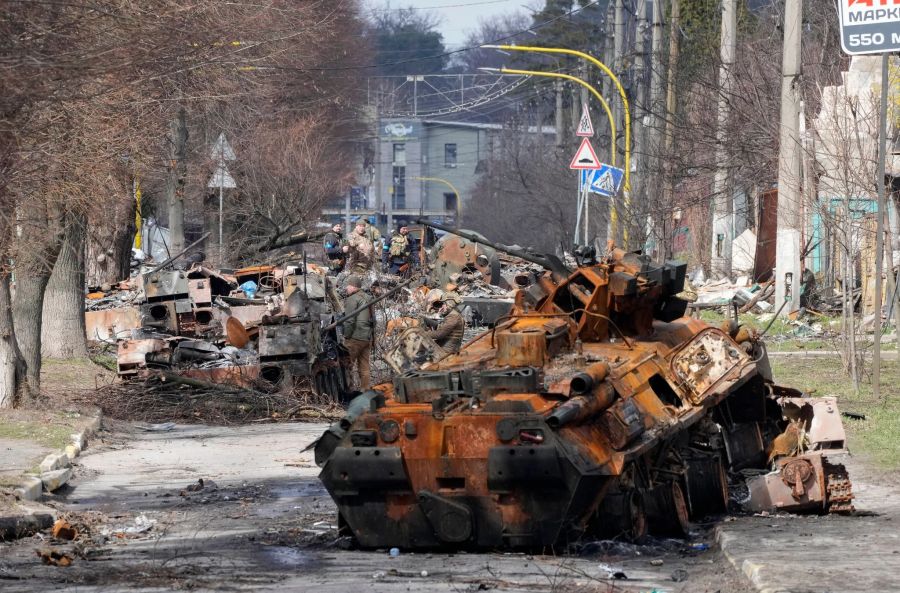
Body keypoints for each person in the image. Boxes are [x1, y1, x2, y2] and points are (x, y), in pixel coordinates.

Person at [341, 275, 373, 390]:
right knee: (364, 368)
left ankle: (348, 391)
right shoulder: (368, 298)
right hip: (367, 338)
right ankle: (365, 391)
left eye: (348, 286)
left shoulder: (352, 299)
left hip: (354, 337)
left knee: (347, 366)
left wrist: (346, 336)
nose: (346, 289)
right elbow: (373, 319)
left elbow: (349, 320)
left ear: (354, 287)